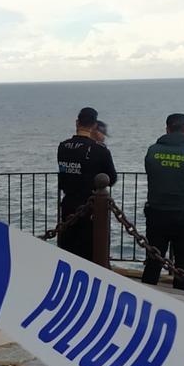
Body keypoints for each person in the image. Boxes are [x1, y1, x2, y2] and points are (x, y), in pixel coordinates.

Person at [141, 113, 184, 290]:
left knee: (153, 261)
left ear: (167, 129)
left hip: (157, 215)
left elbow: (151, 172)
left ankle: (145, 298)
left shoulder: (153, 151)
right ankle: (181, 302)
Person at [57, 107, 118, 261]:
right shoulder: (100, 150)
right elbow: (112, 177)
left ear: (77, 122)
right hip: (91, 206)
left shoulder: (63, 146)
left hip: (68, 203)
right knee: (90, 250)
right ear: (94, 126)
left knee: (68, 248)